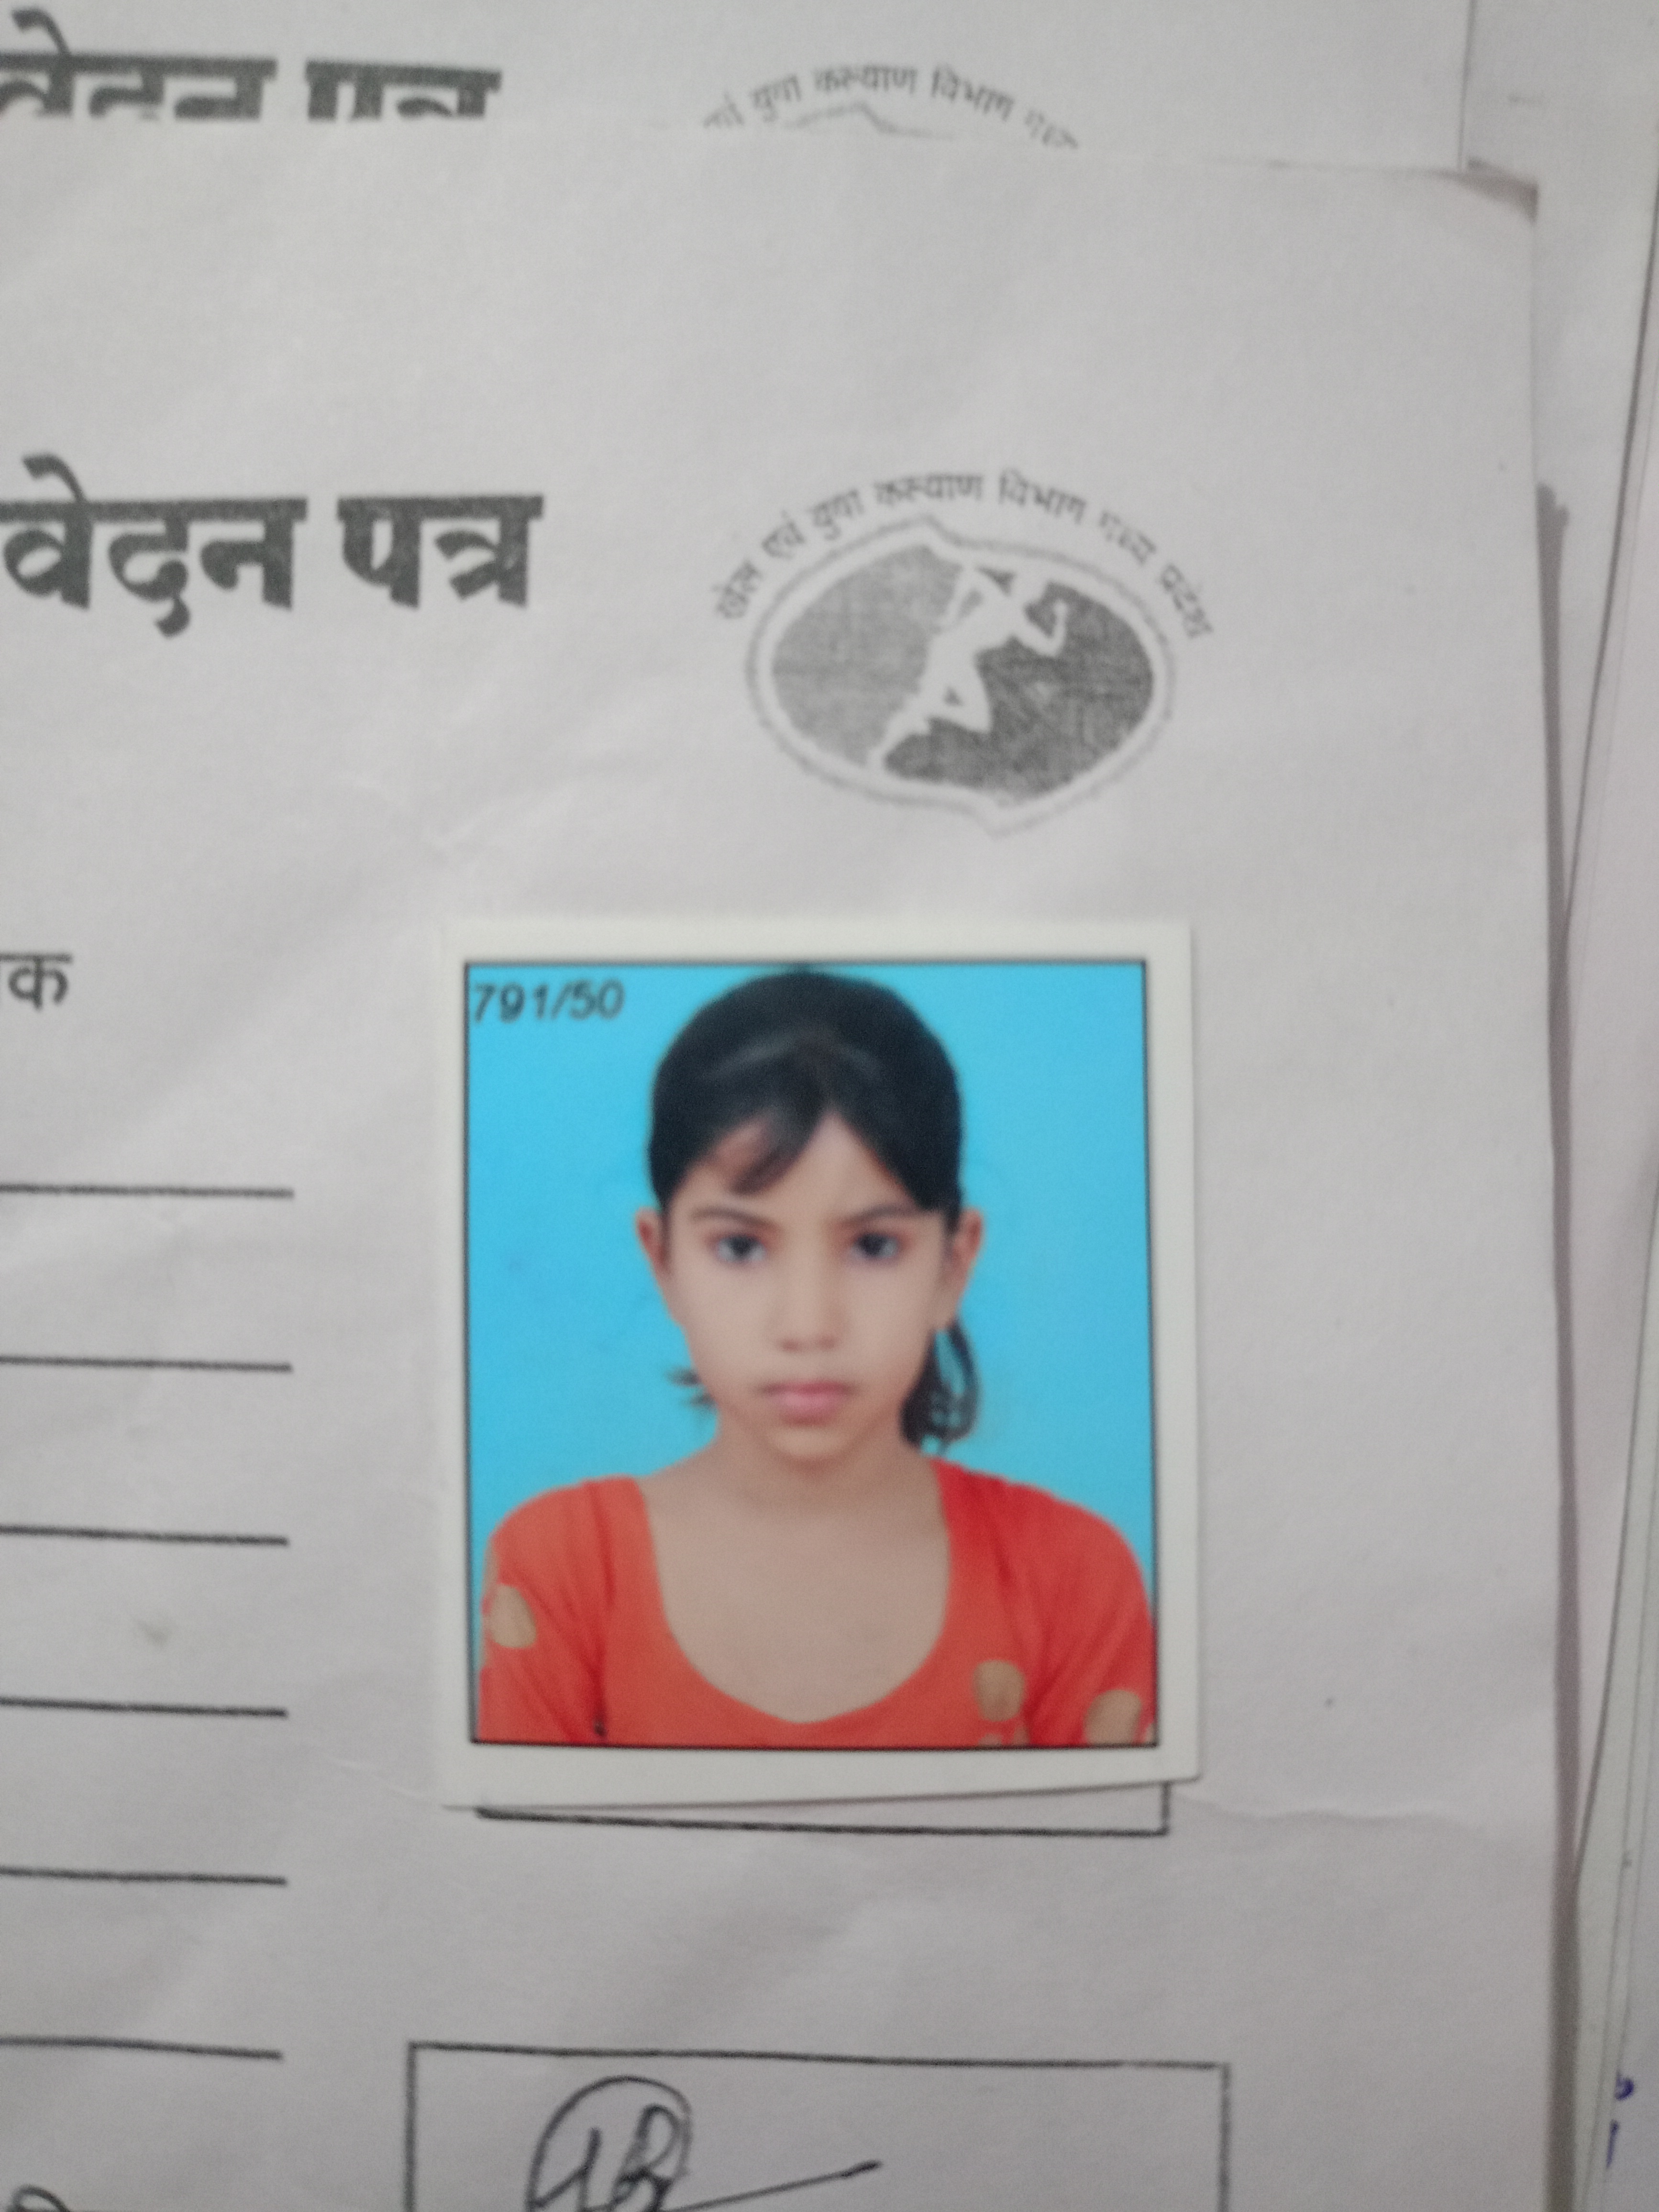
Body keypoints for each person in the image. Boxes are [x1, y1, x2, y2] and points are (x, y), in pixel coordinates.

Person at [477, 967, 1154, 1749]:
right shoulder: (563, 1569)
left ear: (953, 1265)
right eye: (740, 1247)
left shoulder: (1071, 1577)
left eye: (874, 1246)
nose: (808, 1325)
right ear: (661, 1261)